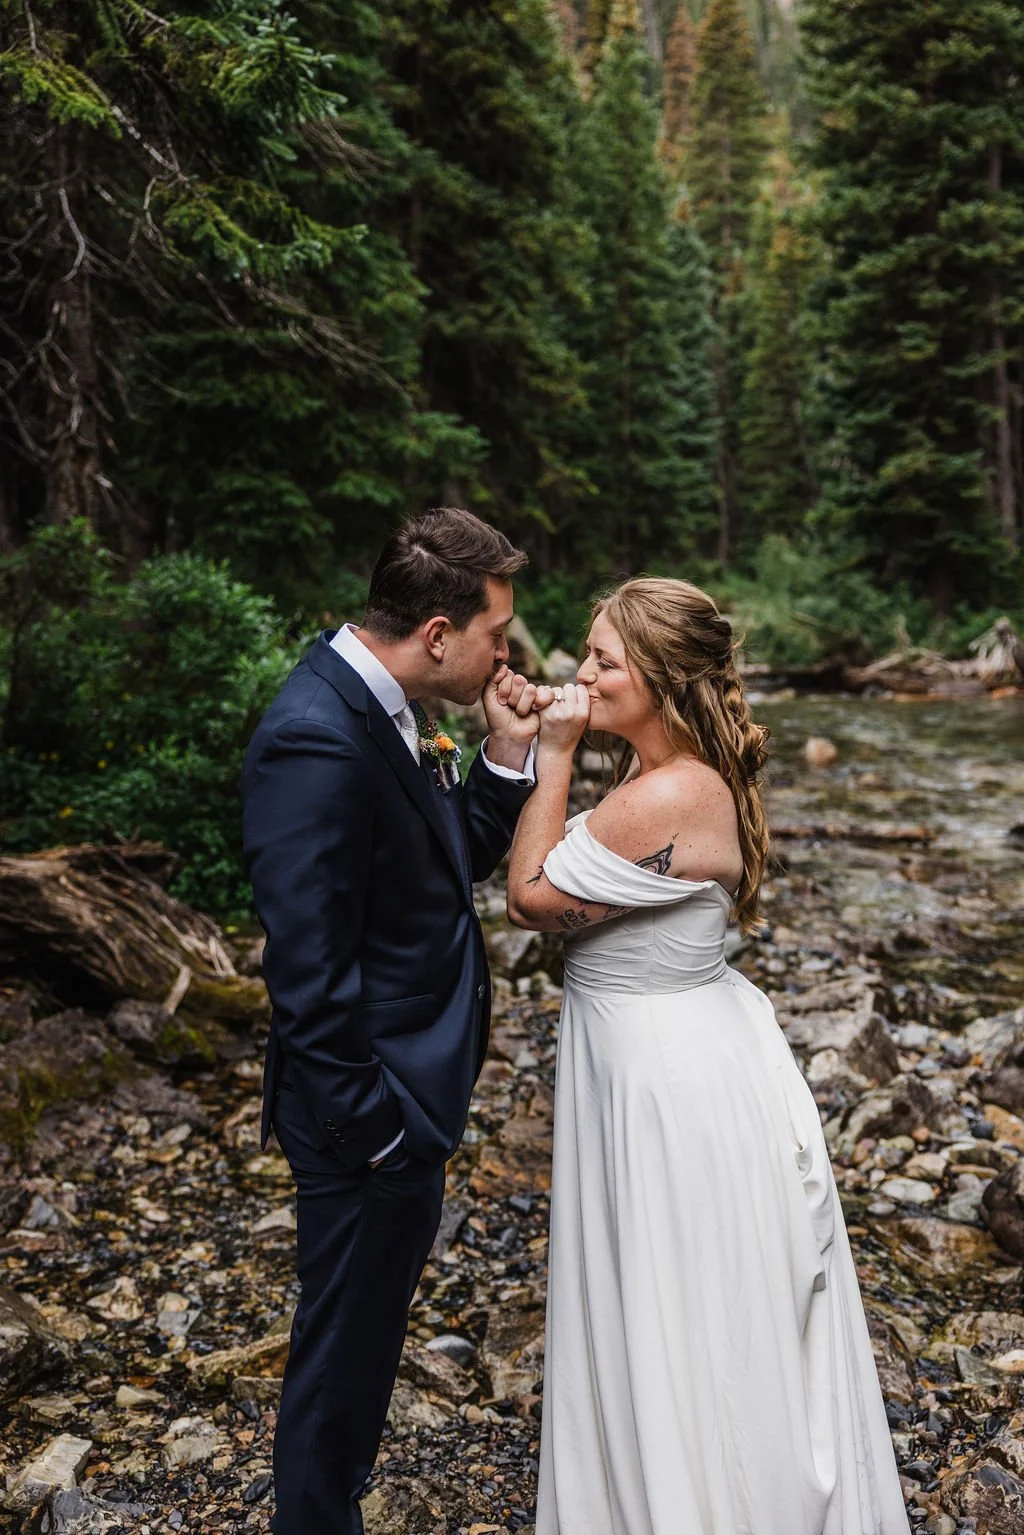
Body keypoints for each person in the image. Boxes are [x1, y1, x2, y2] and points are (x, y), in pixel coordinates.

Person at [507, 577, 910, 1535]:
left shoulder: (672, 792)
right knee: (684, 1317)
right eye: (588, 652)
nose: (584, 671)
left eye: (605, 660)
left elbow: (529, 894)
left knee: (683, 1323)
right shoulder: (666, 776)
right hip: (679, 1063)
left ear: (659, 677)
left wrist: (552, 747)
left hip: (670, 1089)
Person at [242, 508, 553, 1535]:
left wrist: (506, 759)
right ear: (435, 632)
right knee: (338, 1359)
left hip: (400, 1094)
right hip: (365, 1114)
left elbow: (435, 857)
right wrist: (375, 1128)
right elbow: (307, 968)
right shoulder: (314, 736)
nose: (504, 653)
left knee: (367, 1339)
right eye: (494, 634)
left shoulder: (380, 702)